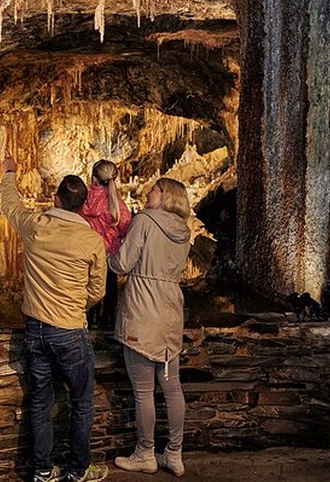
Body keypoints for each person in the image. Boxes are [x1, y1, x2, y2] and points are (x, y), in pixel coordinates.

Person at [0, 151, 109, 482]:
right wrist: (75, 305)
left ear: (56, 198)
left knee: (40, 403)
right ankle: (77, 470)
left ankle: (43, 471)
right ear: (82, 206)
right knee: (82, 403)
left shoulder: (36, 226)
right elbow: (98, 291)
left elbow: (11, 205)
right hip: (71, 330)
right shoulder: (91, 240)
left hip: (36, 331)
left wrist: (9, 173)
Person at [109, 178, 192, 478]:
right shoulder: (183, 230)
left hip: (144, 312)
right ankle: (175, 454)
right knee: (172, 388)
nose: (147, 192)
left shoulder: (144, 221)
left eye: (154, 189)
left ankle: (145, 453)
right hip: (171, 314)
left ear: (166, 195)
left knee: (144, 391)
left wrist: (106, 253)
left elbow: (122, 264)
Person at [79, 160, 132, 330]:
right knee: (110, 285)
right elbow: (126, 228)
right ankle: (108, 320)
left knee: (88, 285)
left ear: (93, 178)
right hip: (108, 254)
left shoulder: (83, 200)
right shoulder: (117, 205)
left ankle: (88, 319)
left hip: (86, 252)